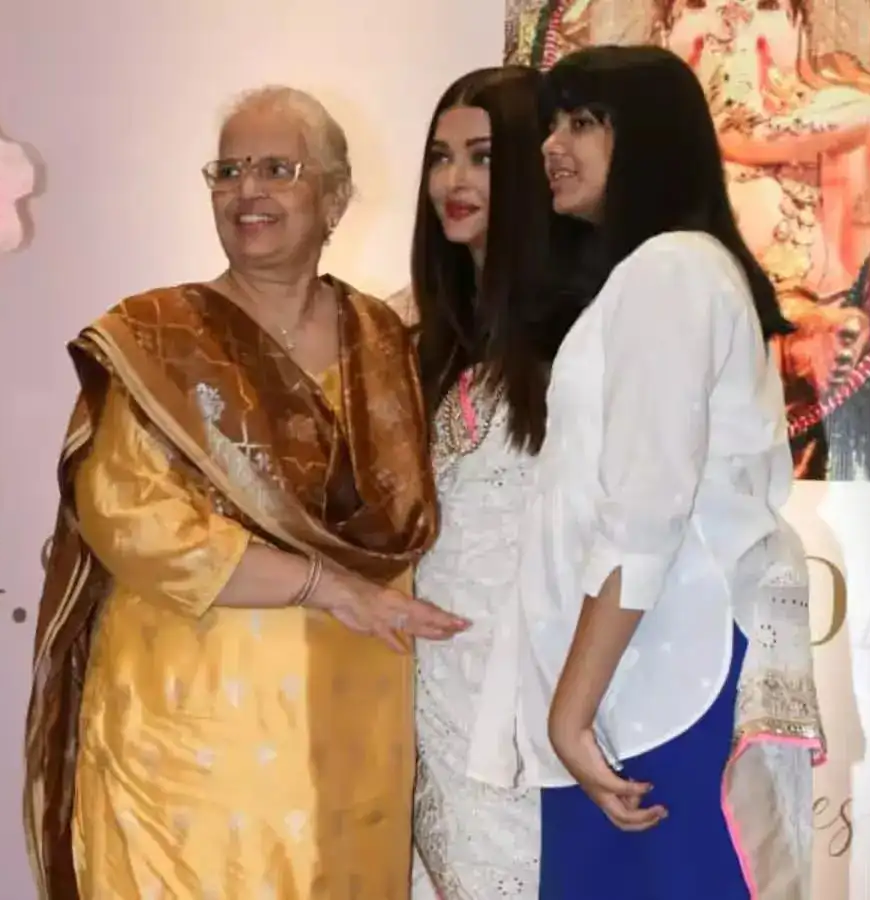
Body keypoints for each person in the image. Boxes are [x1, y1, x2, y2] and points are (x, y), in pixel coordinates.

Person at [22, 85, 469, 900]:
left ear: (335, 197)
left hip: (354, 720)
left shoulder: (387, 342)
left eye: (276, 169)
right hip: (190, 740)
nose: (246, 191)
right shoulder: (159, 339)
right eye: (227, 171)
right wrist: (325, 584)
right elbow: (132, 518)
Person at [466, 45, 824, 900]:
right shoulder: (653, 275)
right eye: (552, 123)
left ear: (652, 139)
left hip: (660, 681)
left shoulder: (673, 268)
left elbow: (646, 510)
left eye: (583, 122)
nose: (552, 145)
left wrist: (569, 712)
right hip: (632, 681)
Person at [406, 65, 580, 900]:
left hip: (536, 698)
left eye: (481, 157)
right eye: (440, 158)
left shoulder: (586, 333)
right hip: (420, 694)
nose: (455, 181)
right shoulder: (410, 335)